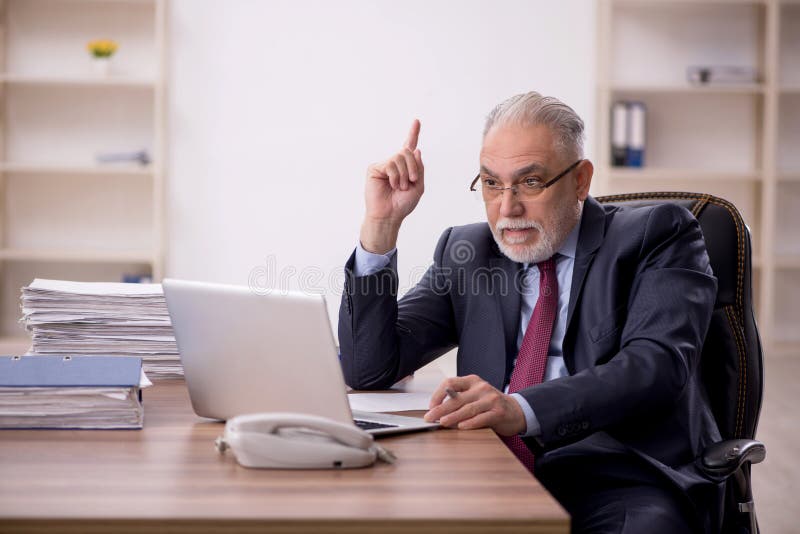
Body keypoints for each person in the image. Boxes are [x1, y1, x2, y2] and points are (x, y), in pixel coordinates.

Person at [338, 92, 723, 533]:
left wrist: (521, 409)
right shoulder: (467, 252)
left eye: (531, 182)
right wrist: (381, 227)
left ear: (580, 180)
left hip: (619, 477)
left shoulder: (658, 234)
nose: (507, 208)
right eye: (491, 183)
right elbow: (368, 368)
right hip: (488, 467)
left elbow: (655, 366)